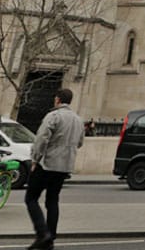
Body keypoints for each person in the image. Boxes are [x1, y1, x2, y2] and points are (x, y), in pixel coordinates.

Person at [25, 88, 84, 250]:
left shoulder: (54, 116)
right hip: (64, 167)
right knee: (52, 200)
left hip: (47, 164)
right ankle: (49, 239)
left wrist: (35, 159)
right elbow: (80, 143)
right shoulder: (78, 120)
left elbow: (41, 139)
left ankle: (42, 233)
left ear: (57, 99)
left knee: (31, 198)